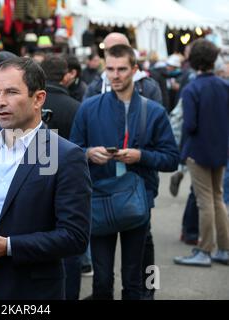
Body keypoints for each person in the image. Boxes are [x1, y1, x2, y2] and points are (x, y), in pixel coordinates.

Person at [0, 57, 92, 300]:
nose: (1, 102)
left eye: (12, 92)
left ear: (38, 99)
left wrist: (8, 246)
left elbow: (74, 237)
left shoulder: (65, 156)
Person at [70, 45, 179, 300]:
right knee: (102, 278)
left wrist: (141, 155)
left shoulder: (153, 111)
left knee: (134, 278)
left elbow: (172, 159)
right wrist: (88, 153)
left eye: (122, 69)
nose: (115, 75)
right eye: (110, 69)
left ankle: (150, 290)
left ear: (135, 70)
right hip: (100, 199)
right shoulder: (89, 108)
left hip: (137, 200)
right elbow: (72, 151)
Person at [174, 39, 229, 267]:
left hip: (198, 150)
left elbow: (190, 125)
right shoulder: (225, 85)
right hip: (221, 148)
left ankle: (204, 250)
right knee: (218, 198)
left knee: (204, 200)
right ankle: (224, 249)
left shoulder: (192, 88)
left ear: (193, 60)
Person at [83, 33, 163, 105]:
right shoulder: (95, 86)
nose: (110, 54)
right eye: (106, 50)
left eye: (117, 49)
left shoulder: (148, 87)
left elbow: (157, 118)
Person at [40, 54, 80, 140]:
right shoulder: (76, 107)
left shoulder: (31, 102)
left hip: (35, 152)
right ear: (65, 77)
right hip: (65, 152)